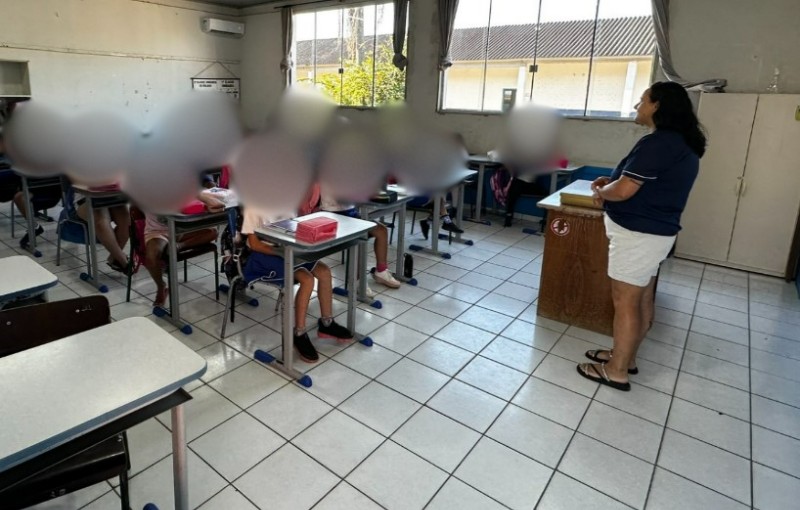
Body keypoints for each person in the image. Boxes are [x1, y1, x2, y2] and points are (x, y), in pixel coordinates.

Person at [577, 81, 706, 391]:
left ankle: (616, 370)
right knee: (641, 297)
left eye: (642, 101)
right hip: (653, 233)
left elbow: (623, 191)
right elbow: (636, 182)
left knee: (625, 302)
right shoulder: (679, 142)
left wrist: (602, 192)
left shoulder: (660, 143)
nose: (637, 106)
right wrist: (612, 181)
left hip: (638, 235)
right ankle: (626, 357)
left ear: (657, 106)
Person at [241, 204, 353, 363]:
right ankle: (299, 333)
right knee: (307, 279)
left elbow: (295, 229)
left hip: (289, 250)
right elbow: (255, 244)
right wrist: (281, 253)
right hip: (265, 256)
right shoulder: (253, 209)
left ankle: (327, 323)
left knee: (324, 272)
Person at [143, 193, 223, 307]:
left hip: (181, 229)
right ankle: (161, 286)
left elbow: (214, 203)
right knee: (151, 257)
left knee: (213, 232)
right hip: (158, 231)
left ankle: (179, 246)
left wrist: (204, 200)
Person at [317, 188, 402, 294]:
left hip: (350, 213)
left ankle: (381, 271)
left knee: (381, 231)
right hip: (332, 215)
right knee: (358, 239)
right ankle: (358, 281)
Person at [76, 194, 131, 274]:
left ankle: (115, 258)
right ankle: (124, 262)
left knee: (127, 221)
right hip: (86, 199)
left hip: (113, 196)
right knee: (102, 221)